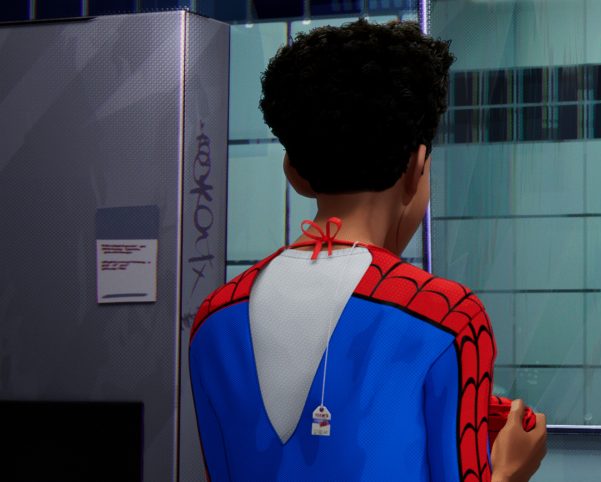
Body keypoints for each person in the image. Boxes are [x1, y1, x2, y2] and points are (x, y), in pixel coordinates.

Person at [188, 20, 546, 481]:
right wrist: (511, 470)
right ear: (416, 167)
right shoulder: (447, 317)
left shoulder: (215, 317)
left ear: (294, 173)